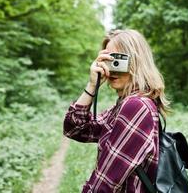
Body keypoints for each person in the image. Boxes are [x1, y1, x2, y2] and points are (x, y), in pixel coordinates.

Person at [63, 29, 170, 192]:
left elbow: (104, 184)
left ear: (137, 62)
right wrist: (92, 85)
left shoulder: (136, 106)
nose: (113, 67)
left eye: (120, 59)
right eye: (109, 60)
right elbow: (76, 129)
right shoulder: (124, 105)